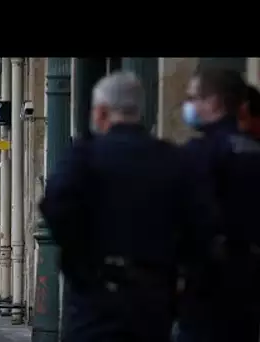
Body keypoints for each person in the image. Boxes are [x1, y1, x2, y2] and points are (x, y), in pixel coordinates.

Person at [39, 72, 214, 342]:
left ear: (100, 113)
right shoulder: (173, 159)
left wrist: (80, 262)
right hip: (153, 293)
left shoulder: (85, 155)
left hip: (96, 291)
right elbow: (201, 224)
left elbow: (56, 207)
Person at [177, 70, 260, 342]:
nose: (189, 106)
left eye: (193, 98)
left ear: (213, 102)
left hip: (207, 285)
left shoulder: (200, 152)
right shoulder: (253, 149)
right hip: (249, 284)